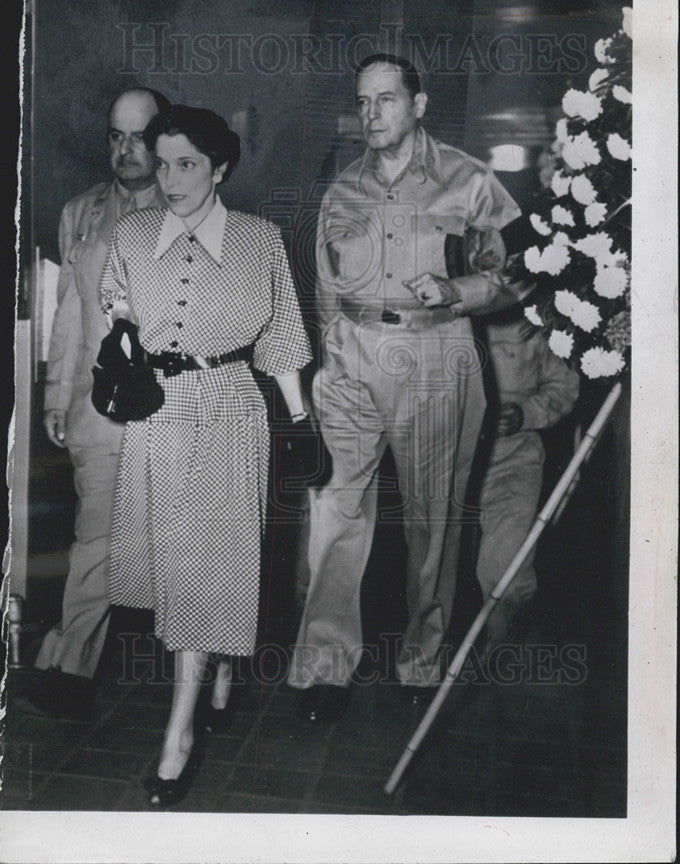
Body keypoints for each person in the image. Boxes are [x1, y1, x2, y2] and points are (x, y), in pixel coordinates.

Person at [288, 54, 524, 721]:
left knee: (432, 517)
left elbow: (517, 274)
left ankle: (421, 659)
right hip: (354, 357)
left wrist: (457, 291)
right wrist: (331, 355)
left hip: (435, 354)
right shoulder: (344, 190)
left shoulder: (469, 180)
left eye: (386, 100)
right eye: (363, 101)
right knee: (337, 511)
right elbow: (326, 283)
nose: (372, 114)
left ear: (418, 106)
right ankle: (324, 669)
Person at [99, 104, 312, 807]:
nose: (170, 178)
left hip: (229, 409)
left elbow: (281, 337)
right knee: (181, 572)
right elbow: (119, 311)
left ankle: (177, 738)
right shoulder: (130, 235)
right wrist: (122, 339)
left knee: (204, 568)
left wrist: (301, 419)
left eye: (187, 163)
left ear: (220, 168)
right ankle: (218, 661)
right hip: (157, 416)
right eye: (162, 163)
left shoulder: (261, 240)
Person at [30, 88, 170, 718]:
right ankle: (70, 664)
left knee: (184, 540)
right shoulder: (81, 212)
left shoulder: (193, 208)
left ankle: (202, 669)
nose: (125, 150)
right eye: (116, 136)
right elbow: (66, 316)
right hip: (99, 409)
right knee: (94, 539)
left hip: (173, 410)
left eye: (139, 137)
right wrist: (57, 396)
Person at [476, 312, 580, 651]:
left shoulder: (538, 317)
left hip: (510, 459)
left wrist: (525, 412)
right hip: (442, 458)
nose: (482, 256)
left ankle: (501, 646)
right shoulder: (433, 303)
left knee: (503, 572)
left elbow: (564, 386)